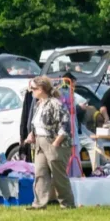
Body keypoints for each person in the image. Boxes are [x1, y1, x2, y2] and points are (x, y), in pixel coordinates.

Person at [25, 76, 75, 210]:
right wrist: (32, 135)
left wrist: (56, 144)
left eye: (34, 89)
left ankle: (67, 204)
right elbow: (37, 124)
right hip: (40, 143)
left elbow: (65, 126)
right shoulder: (38, 104)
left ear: (42, 89)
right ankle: (39, 204)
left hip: (55, 143)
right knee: (40, 173)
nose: (32, 91)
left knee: (59, 175)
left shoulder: (55, 103)